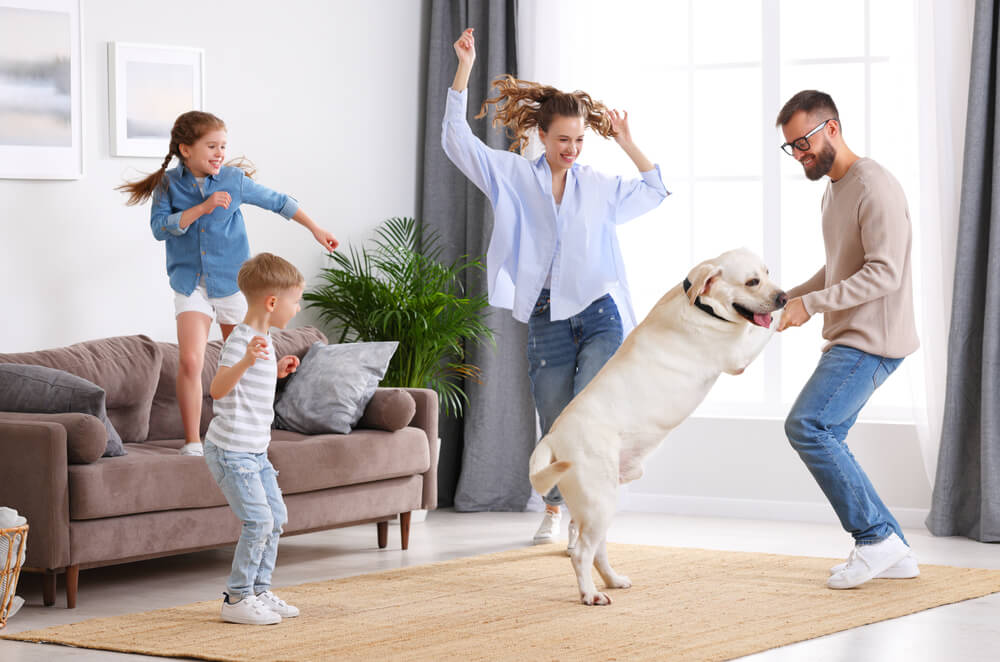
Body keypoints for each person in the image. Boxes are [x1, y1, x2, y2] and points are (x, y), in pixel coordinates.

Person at [443, 28, 669, 548]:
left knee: (594, 412)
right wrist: (464, 67)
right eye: (562, 139)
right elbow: (456, 140)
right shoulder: (513, 177)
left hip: (599, 314)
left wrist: (627, 141)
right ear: (541, 137)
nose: (571, 149)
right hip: (546, 317)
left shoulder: (598, 187)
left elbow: (656, 189)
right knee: (557, 421)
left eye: (579, 141)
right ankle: (554, 508)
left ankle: (591, 516)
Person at [118, 111, 338, 456]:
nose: (220, 152)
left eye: (223, 146)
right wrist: (202, 208)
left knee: (255, 356)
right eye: (212, 146)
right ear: (185, 149)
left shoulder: (233, 180)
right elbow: (160, 228)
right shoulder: (168, 185)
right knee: (191, 361)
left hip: (234, 285)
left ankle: (250, 435)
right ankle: (193, 441)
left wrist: (316, 228)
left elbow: (279, 202)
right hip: (190, 284)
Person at [775, 90, 920, 589]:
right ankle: (894, 551)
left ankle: (876, 538)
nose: (799, 154)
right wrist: (785, 298)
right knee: (822, 430)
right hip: (852, 337)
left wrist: (810, 306)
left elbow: (884, 273)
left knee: (809, 426)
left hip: (873, 339)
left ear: (832, 127)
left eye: (804, 142)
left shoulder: (874, 185)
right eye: (791, 147)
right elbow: (839, 266)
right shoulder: (833, 189)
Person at [202, 252, 305, 625]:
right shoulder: (240, 341)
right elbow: (218, 389)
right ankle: (237, 598)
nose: (297, 308)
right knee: (258, 521)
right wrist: (246, 360)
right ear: (273, 302)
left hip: (255, 452)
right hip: (232, 452)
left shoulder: (264, 339)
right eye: (295, 301)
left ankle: (259, 591)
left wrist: (274, 371)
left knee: (275, 517)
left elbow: (249, 386)